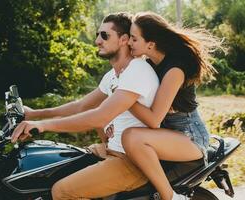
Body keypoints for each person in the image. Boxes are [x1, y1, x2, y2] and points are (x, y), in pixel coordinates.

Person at [11, 12, 159, 200]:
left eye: (104, 35)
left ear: (123, 39)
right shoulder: (114, 75)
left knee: (62, 191)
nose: (97, 40)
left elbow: (99, 116)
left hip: (131, 161)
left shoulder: (136, 70)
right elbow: (81, 106)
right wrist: (35, 114)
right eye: (97, 34)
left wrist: (44, 126)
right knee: (57, 166)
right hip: (109, 150)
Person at [119, 12, 220, 200]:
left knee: (132, 137)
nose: (129, 43)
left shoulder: (174, 69)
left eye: (134, 38)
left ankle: (170, 197)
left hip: (189, 136)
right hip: (168, 132)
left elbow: (154, 119)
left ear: (150, 43)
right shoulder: (149, 64)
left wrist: (125, 100)